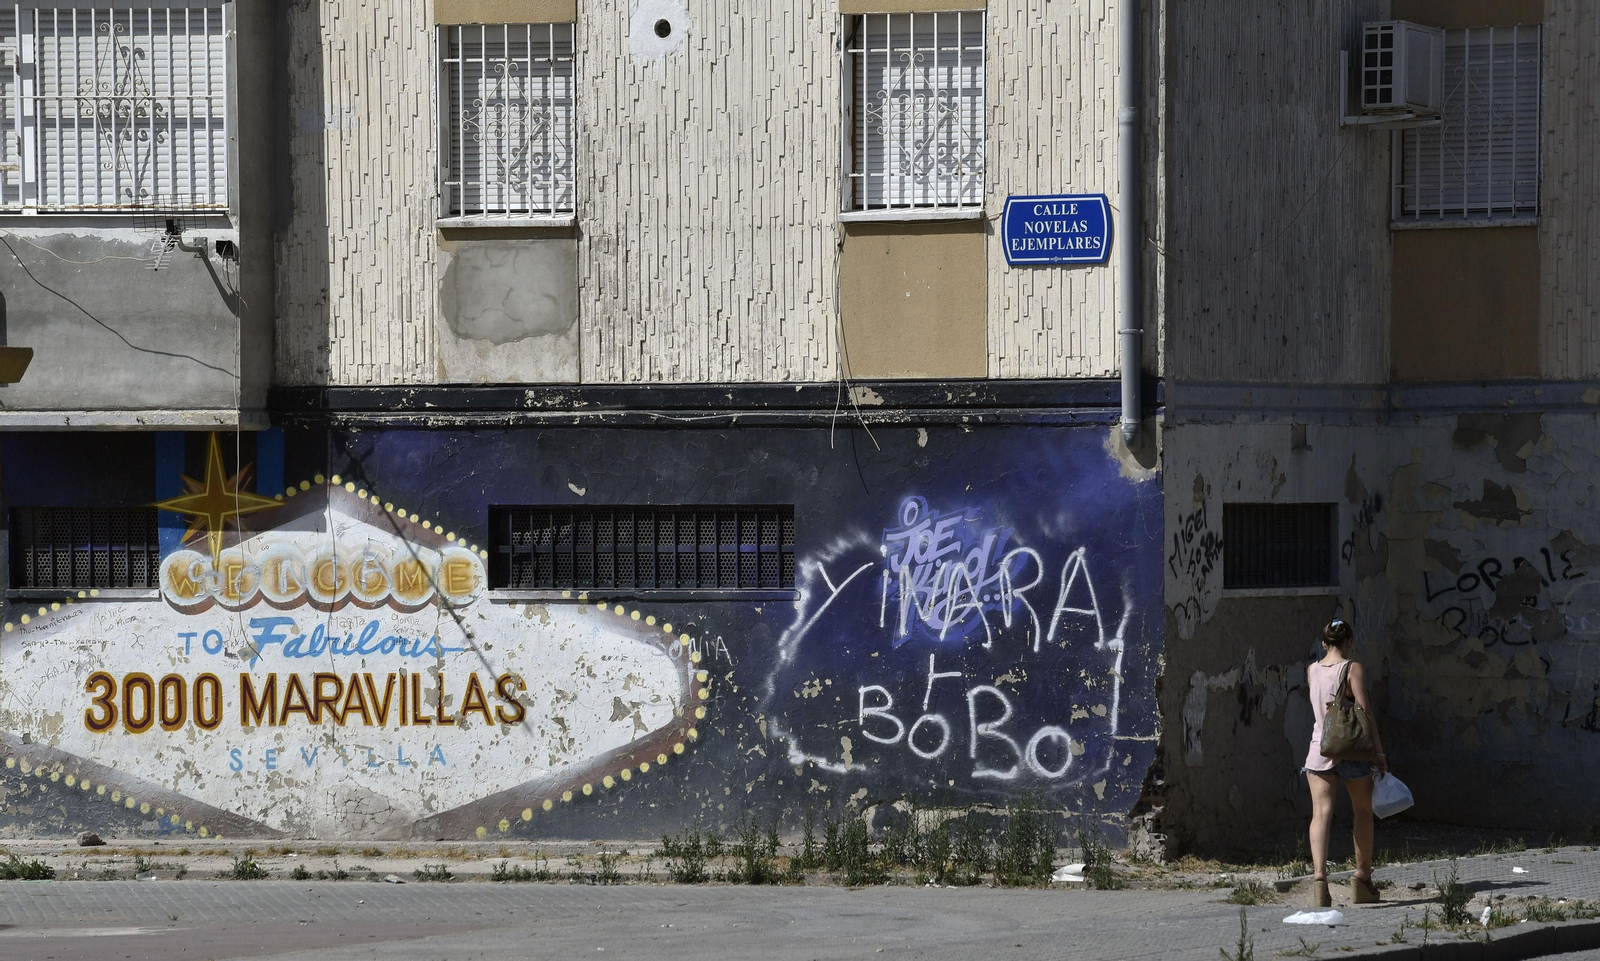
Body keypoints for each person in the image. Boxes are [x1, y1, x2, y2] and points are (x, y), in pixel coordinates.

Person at [1304, 618, 1386, 908]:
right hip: (1352, 750)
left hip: (1319, 750)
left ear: (1324, 644)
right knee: (1362, 812)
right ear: (1349, 642)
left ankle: (1319, 881)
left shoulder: (1312, 670)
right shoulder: (1353, 668)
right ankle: (1362, 879)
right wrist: (1378, 752)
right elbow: (1364, 712)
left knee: (1321, 814)